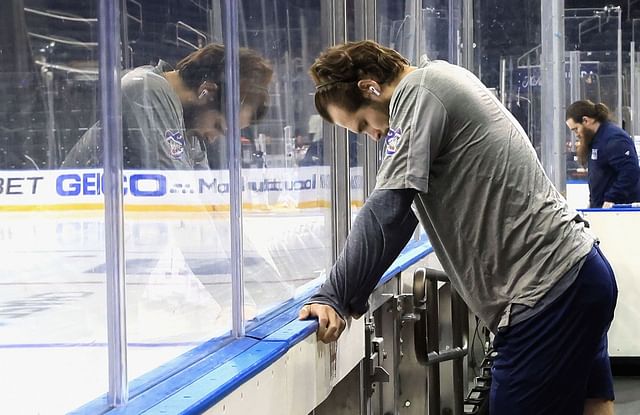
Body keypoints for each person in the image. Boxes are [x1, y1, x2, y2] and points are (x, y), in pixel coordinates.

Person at [298, 40, 617, 415]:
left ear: (370, 87)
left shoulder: (418, 94)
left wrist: (334, 294)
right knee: (591, 402)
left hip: (546, 295)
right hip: (579, 274)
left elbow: (389, 211)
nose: (372, 134)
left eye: (364, 123)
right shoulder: (441, 80)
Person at [61, 44, 272, 170]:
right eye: (218, 126)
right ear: (206, 91)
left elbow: (207, 200)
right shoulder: (146, 89)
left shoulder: (188, 130)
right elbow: (179, 193)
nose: (211, 138)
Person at [566, 100, 640, 208]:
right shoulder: (594, 139)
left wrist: (611, 198)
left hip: (618, 211)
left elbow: (630, 171)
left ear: (585, 120)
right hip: (602, 209)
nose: (576, 134)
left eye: (576, 129)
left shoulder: (614, 139)